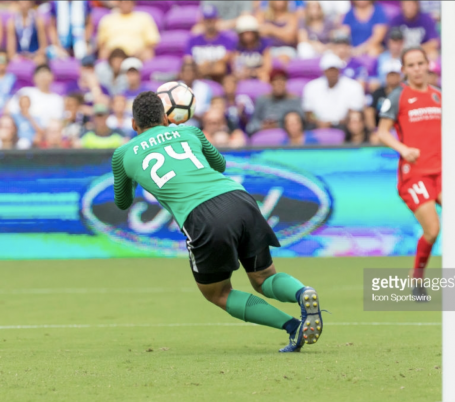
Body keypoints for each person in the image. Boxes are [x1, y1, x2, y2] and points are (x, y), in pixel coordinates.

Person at [111, 91, 323, 352]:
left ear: (134, 125)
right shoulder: (190, 132)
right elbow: (220, 165)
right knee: (264, 278)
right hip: (240, 200)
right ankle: (302, 293)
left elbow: (122, 202)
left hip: (202, 216)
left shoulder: (123, 154)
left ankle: (293, 327)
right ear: (167, 118)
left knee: (218, 293)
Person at [376, 47, 442, 297]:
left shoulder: (439, 96)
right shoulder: (398, 96)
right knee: (432, 230)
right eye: (411, 65)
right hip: (415, 174)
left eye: (420, 63)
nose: (416, 69)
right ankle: (417, 277)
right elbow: (382, 132)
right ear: (403, 70)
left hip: (443, 172)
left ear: (428, 65)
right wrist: (403, 149)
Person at [302, 53, 365, 128]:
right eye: (329, 70)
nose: (332, 73)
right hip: (318, 126)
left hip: (344, 126)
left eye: (334, 70)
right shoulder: (311, 87)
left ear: (339, 70)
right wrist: (318, 121)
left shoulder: (354, 86)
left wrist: (334, 123)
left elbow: (354, 114)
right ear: (323, 71)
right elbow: (309, 113)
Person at [184, 4, 235, 82]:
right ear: (202, 21)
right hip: (197, 80)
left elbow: (223, 66)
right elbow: (188, 62)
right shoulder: (193, 40)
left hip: (222, 80)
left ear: (216, 20)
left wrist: (205, 65)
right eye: (207, 20)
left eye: (211, 20)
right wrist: (213, 65)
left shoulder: (227, 39)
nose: (209, 23)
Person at [6, 64, 64, 129]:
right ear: (34, 78)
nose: (44, 78)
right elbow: (8, 110)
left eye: (46, 74)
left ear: (52, 77)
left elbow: (57, 122)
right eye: (41, 75)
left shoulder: (57, 99)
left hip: (46, 135)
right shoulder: (25, 92)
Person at [246, 68, 303, 134]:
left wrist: (279, 126)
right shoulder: (262, 100)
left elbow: (302, 123)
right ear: (271, 84)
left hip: (288, 135)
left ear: (286, 83)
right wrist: (262, 126)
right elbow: (253, 123)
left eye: (282, 81)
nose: (279, 84)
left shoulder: (294, 100)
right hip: (264, 133)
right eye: (276, 81)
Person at [366, 59, 403, 131]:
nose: (393, 77)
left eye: (395, 75)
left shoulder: (404, 92)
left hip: (400, 128)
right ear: (386, 76)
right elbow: (369, 111)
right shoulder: (378, 93)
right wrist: (373, 131)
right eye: (391, 75)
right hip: (380, 128)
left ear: (400, 76)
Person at [233, 15, 272, 82]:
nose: (247, 35)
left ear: (255, 33)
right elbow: (236, 68)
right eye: (244, 33)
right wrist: (243, 73)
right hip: (243, 75)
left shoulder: (264, 45)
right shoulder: (237, 47)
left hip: (259, 74)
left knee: (265, 76)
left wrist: (253, 72)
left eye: (249, 32)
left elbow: (268, 67)